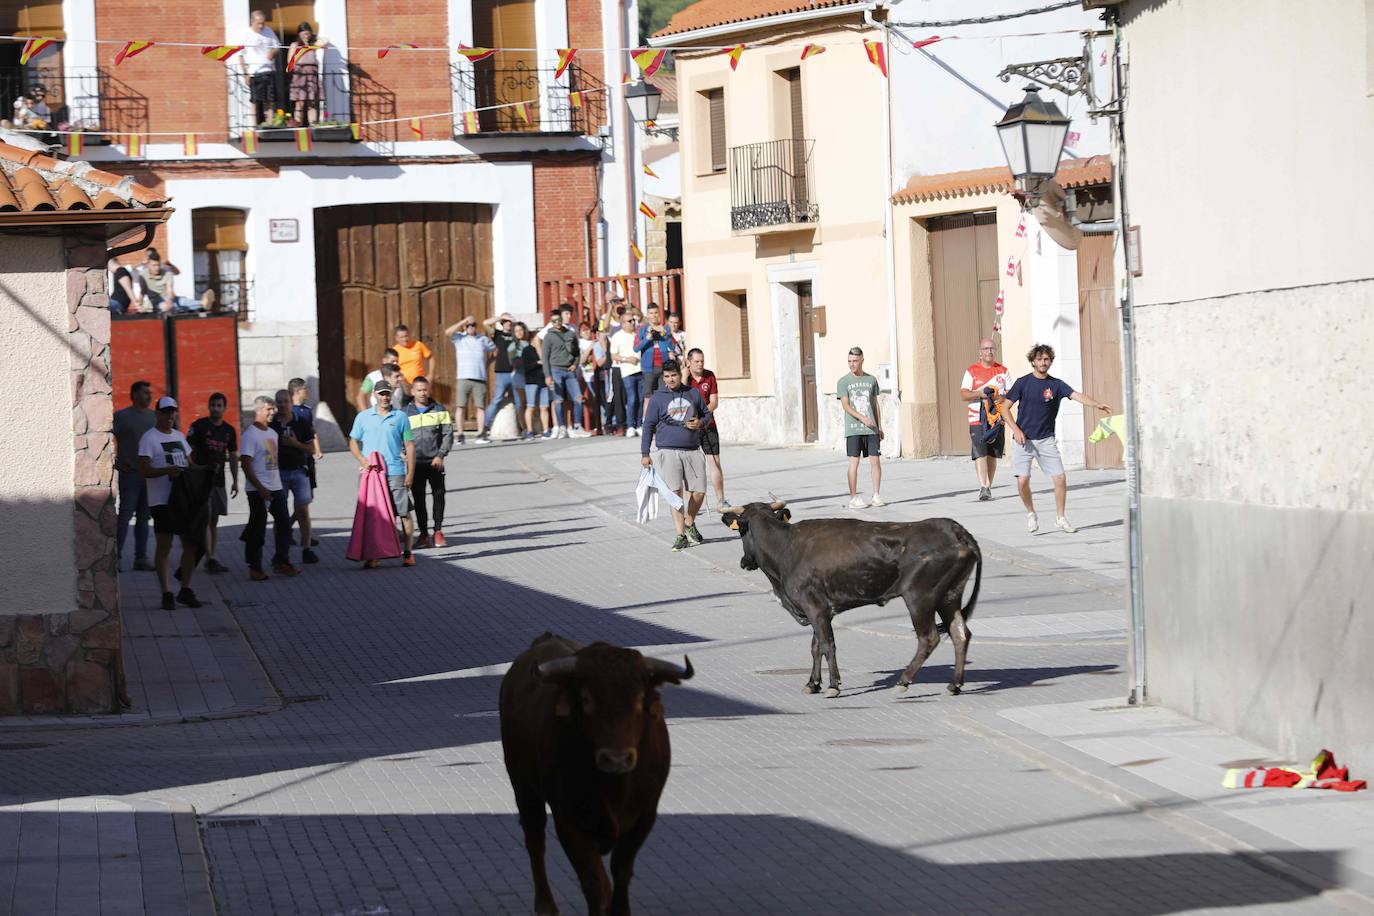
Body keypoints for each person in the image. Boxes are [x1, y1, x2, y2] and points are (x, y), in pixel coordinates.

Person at [1002, 343, 1112, 534]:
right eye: (1039, 359)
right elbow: (1004, 408)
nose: (1043, 362)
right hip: (1023, 440)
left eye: (1046, 359)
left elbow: (1077, 395)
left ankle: (1060, 518)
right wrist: (1016, 430)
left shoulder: (1056, 385)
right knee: (1022, 481)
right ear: (1032, 361)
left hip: (1046, 440)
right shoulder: (1022, 383)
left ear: (1050, 361)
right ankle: (1031, 513)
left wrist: (1097, 405)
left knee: (1060, 478)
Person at [641, 360, 712, 552]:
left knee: (699, 491)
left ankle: (689, 522)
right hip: (668, 450)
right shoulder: (658, 398)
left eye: (673, 375)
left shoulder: (693, 393)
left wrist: (700, 423)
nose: (670, 379)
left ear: (680, 375)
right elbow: (648, 425)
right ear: (663, 378)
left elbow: (707, 415)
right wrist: (645, 453)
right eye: (666, 376)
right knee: (675, 494)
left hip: (692, 450)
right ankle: (681, 535)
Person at [138, 397, 202, 610]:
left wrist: (204, 472)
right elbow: (144, 470)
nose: (170, 416)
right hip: (161, 501)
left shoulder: (179, 436)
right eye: (165, 412)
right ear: (157, 413)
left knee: (192, 544)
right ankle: (166, 592)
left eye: (173, 412)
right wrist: (167, 471)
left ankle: (185, 588)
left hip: (183, 500)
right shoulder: (149, 439)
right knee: (164, 546)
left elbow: (190, 465)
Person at [348, 380, 417, 567]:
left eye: (387, 393)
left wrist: (410, 473)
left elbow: (410, 445)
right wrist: (362, 460)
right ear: (375, 395)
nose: (385, 397)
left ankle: (408, 552)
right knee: (374, 515)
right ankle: (374, 554)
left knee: (403, 513)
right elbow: (353, 442)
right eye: (381, 394)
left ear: (392, 394)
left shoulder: (400, 417)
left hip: (395, 471)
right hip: (371, 474)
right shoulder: (363, 417)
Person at [240, 395, 299, 580]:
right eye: (268, 409)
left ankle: (281, 561)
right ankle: (254, 566)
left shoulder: (273, 433)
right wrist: (260, 489)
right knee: (257, 529)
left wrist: (275, 486)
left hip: (276, 487)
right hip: (257, 490)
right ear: (258, 411)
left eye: (273, 409)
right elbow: (246, 465)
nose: (273, 412)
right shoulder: (250, 435)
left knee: (284, 525)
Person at [187, 392, 240, 574]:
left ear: (225, 408)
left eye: (219, 405)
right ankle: (209, 557)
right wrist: (192, 471)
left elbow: (232, 456)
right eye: (213, 405)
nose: (216, 408)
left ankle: (211, 555)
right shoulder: (199, 426)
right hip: (201, 480)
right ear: (208, 407)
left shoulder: (229, 431)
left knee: (214, 521)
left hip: (218, 481)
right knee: (206, 518)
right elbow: (189, 450)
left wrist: (235, 481)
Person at [959, 339, 1012, 501]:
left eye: (992, 349)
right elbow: (963, 394)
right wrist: (980, 393)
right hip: (977, 418)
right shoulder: (972, 371)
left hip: (996, 419)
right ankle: (984, 486)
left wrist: (999, 398)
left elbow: (1011, 395)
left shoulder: (1002, 371)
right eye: (986, 349)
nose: (989, 351)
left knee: (992, 454)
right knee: (980, 452)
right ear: (980, 352)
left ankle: (988, 485)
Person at [405, 377, 453, 549]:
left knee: (439, 495)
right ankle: (424, 534)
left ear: (429, 390)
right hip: (415, 463)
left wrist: (441, 455)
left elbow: (448, 434)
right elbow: (399, 436)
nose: (422, 393)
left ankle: (438, 531)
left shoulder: (440, 410)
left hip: (435, 462)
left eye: (425, 389)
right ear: (412, 392)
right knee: (418, 499)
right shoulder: (404, 413)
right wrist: (403, 454)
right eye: (419, 390)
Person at [114, 380, 157, 571]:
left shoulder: (154, 417)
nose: (150, 396)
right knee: (124, 516)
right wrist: (114, 461)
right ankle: (115, 557)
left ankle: (141, 558)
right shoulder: (122, 417)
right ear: (135, 395)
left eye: (150, 393)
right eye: (146, 393)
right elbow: (104, 438)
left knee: (144, 518)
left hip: (149, 476)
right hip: (130, 475)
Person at [272, 389, 318, 564]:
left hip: (299, 471)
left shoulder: (302, 422)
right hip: (278, 473)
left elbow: (311, 449)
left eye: (285, 401)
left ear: (291, 402)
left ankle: (306, 548)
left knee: (303, 511)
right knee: (279, 513)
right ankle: (280, 552)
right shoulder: (272, 423)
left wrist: (295, 443)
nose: (282, 405)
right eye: (279, 402)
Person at [838, 346, 885, 509]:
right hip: (853, 429)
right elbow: (846, 405)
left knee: (876, 461)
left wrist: (879, 426)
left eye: (855, 361)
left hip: (871, 429)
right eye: (849, 361)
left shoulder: (871, 380)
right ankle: (854, 498)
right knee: (854, 462)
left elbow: (875, 404)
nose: (852, 364)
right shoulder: (843, 382)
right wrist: (863, 418)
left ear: (862, 360)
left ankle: (876, 495)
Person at [445, 314, 495, 445]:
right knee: (460, 406)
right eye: (468, 325)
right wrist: (462, 321)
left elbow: (495, 350)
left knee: (480, 407)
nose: (471, 327)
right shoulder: (459, 338)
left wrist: (488, 362)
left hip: (480, 377)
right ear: (465, 327)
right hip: (463, 377)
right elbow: (447, 332)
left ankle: (481, 434)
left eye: (473, 325)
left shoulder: (482, 339)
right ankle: (460, 434)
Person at [541, 307, 590, 438]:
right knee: (558, 400)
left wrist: (575, 364)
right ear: (551, 322)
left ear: (562, 320)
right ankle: (562, 427)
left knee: (578, 398)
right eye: (554, 320)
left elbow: (576, 353)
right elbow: (544, 357)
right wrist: (547, 375)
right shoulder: (548, 337)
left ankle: (578, 426)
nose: (557, 322)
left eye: (559, 320)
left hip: (570, 371)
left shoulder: (570, 334)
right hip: (555, 370)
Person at [686, 348, 726, 506]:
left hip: (708, 423)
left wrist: (702, 417)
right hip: (689, 426)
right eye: (696, 361)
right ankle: (690, 502)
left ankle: (721, 500)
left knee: (714, 461)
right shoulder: (685, 378)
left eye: (702, 361)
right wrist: (683, 374)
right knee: (689, 465)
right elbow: (679, 397)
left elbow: (714, 402)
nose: (700, 364)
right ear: (689, 362)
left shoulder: (710, 376)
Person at [288, 378, 323, 543]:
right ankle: (302, 535)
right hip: (296, 461)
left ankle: (298, 531)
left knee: (307, 498)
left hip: (308, 459)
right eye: (305, 389)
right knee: (302, 500)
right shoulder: (290, 412)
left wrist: (317, 449)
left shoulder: (307, 411)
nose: (307, 392)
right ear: (296, 391)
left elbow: (311, 432)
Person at [478, 312, 522, 443]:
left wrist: (513, 319)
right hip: (501, 373)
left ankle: (522, 427)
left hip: (515, 372)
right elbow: (485, 323)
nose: (508, 323)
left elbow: (523, 331)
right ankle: (485, 428)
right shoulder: (497, 334)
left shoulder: (516, 334)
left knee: (519, 401)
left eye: (510, 321)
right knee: (496, 400)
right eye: (506, 321)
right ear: (502, 322)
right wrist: (501, 318)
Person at [635, 303, 681, 409]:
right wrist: (647, 338)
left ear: (659, 314)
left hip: (663, 366)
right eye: (651, 313)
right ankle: (646, 423)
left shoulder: (666, 328)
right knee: (648, 396)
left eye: (656, 313)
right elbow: (636, 348)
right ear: (647, 315)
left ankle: (662, 422)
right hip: (648, 368)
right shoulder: (642, 329)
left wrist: (665, 334)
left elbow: (674, 347)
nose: (654, 315)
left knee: (663, 395)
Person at [240, 10, 280, 126]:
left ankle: (269, 124)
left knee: (270, 100)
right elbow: (241, 56)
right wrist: (245, 74)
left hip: (269, 70)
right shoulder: (246, 34)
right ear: (252, 22)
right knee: (255, 100)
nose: (261, 26)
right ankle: (255, 125)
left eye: (263, 23)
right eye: (258, 23)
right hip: (254, 72)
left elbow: (277, 46)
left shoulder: (269, 31)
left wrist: (273, 52)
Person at [514, 321, 551, 439]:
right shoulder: (527, 350)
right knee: (530, 406)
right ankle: (529, 431)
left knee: (544, 407)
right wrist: (537, 363)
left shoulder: (545, 350)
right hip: (531, 381)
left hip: (543, 381)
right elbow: (525, 366)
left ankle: (546, 430)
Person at [611, 311, 643, 436]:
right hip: (627, 371)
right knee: (632, 398)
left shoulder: (638, 334)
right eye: (630, 321)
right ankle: (630, 425)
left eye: (633, 320)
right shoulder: (617, 336)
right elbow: (613, 355)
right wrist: (627, 359)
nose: (632, 323)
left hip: (640, 369)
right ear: (622, 323)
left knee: (641, 398)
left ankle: (639, 424)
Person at [287, 22, 325, 126]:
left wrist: (313, 40)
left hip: (312, 76)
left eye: (308, 34)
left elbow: (325, 41)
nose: (306, 36)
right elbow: (290, 62)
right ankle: (298, 124)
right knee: (300, 103)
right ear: (299, 34)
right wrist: (302, 51)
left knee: (312, 103)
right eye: (304, 34)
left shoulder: (313, 45)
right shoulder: (295, 45)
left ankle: (313, 124)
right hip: (300, 76)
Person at [356, 347, 401, 412]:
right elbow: (361, 397)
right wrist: (366, 415)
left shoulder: (398, 376)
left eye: (397, 362)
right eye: (393, 361)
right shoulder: (373, 377)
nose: (395, 364)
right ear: (384, 360)